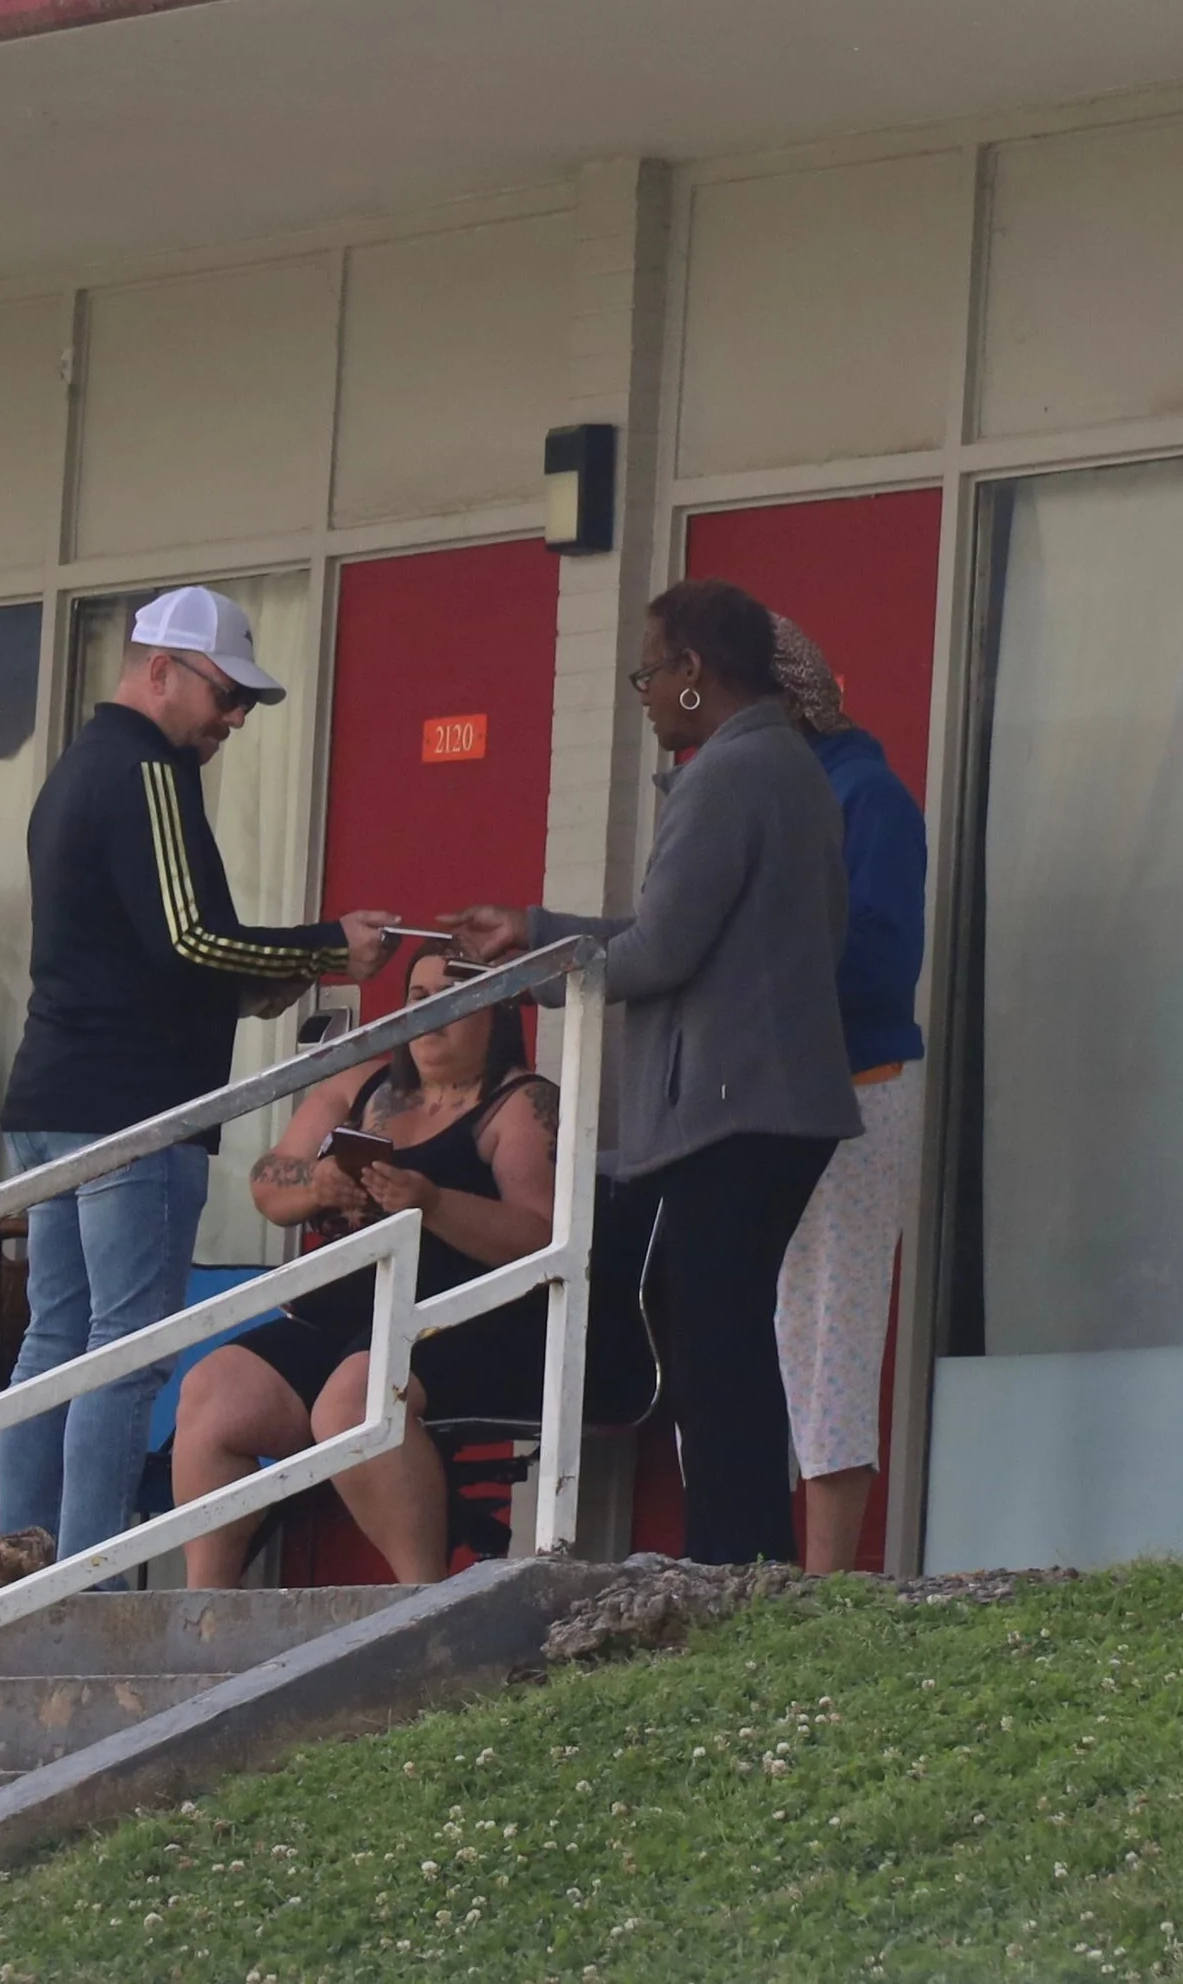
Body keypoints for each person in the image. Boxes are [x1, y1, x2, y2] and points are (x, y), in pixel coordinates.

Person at [450, 577, 860, 1566]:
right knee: (713, 1324)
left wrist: (535, 977)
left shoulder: (730, 775)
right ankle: (745, 1556)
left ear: (691, 672)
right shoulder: (786, 764)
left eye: (647, 667)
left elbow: (657, 953)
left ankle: (738, 1563)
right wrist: (540, 934)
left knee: (713, 1339)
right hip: (770, 1104)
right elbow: (671, 936)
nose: (637, 689)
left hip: (735, 1106)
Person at [0, 584, 397, 1559]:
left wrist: (252, 979)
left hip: (52, 1094)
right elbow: (189, 937)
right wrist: (322, 948)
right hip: (130, 1109)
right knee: (124, 1349)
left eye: (246, 702)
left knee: (55, 1337)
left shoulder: (74, 771)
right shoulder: (145, 771)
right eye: (225, 693)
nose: (234, 718)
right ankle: (79, 1573)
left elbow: (141, 952)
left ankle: (11, 1556)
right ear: (160, 669)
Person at [171, 955, 558, 1585]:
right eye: (418, 995)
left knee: (354, 1402)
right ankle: (206, 1612)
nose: (432, 1015)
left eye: (454, 997)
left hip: (460, 1318)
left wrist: (430, 1201)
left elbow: (538, 1234)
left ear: (499, 1009)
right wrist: (320, 1184)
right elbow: (270, 1184)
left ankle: (419, 1601)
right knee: (214, 1392)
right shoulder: (363, 1082)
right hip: (344, 1313)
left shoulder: (522, 1102)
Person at [767, 614, 929, 1575]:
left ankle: (828, 1583)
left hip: (856, 1093)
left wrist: (756, 985)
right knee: (778, 1325)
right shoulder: (776, 795)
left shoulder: (866, 795)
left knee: (834, 1327)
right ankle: (761, 1563)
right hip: (770, 1103)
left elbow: (880, 960)